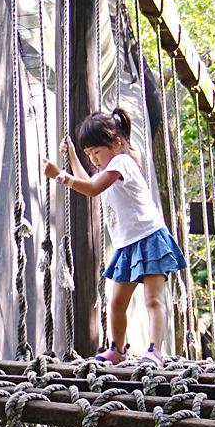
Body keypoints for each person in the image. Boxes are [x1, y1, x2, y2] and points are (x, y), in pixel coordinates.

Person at [43, 107, 186, 366]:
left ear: (117, 143)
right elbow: (88, 183)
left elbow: (92, 187)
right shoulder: (111, 167)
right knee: (117, 302)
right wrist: (74, 157)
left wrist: (60, 176)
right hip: (128, 244)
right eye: (89, 154)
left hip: (149, 237)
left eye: (96, 152)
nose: (94, 159)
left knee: (152, 299)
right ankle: (118, 349)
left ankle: (154, 351)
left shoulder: (123, 162)